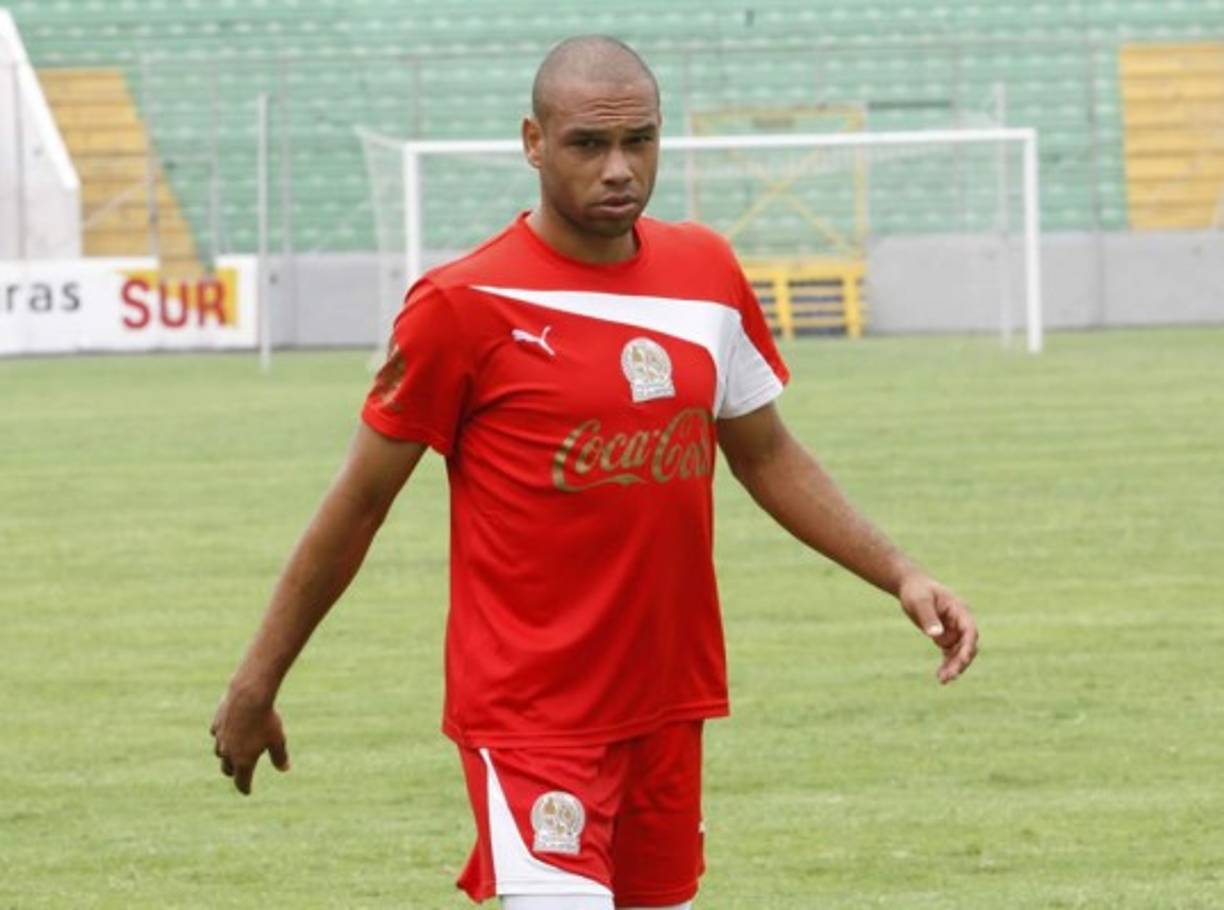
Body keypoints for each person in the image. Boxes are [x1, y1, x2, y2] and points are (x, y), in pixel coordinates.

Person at [210, 34, 979, 910]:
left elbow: (765, 452)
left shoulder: (706, 274)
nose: (619, 169)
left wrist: (902, 573)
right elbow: (357, 506)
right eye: (587, 145)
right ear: (534, 143)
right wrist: (256, 681)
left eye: (639, 142)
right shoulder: (462, 306)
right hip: (532, 715)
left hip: (667, 705)